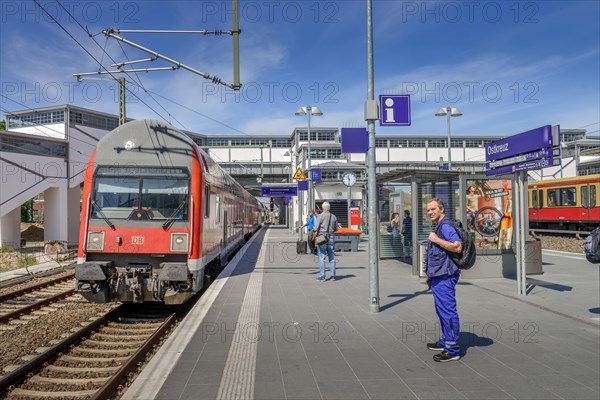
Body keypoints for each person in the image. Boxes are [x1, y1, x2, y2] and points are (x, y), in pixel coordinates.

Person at [425, 198, 462, 362]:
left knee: (447, 311)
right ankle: (445, 340)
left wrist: (435, 240)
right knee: (441, 311)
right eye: (428, 210)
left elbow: (457, 246)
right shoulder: (440, 225)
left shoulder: (445, 226)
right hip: (438, 276)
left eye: (433, 209)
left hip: (445, 276)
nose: (430, 212)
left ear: (441, 209)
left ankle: (452, 348)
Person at [313, 201, 338, 282]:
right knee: (332, 257)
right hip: (331, 237)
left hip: (322, 237)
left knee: (322, 257)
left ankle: (322, 276)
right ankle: (333, 276)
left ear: (323, 208)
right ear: (329, 208)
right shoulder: (333, 216)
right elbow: (336, 229)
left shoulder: (320, 216)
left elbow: (315, 228)